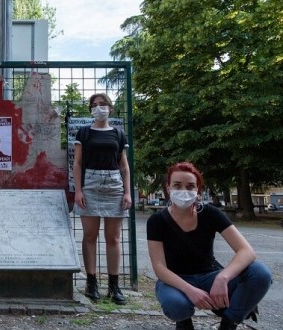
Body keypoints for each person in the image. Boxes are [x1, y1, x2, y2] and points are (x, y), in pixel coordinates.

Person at [147, 162, 272, 330]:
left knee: (260, 273)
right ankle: (184, 322)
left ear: (198, 190)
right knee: (176, 305)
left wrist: (223, 278)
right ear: (168, 188)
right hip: (176, 281)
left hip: (209, 276)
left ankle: (229, 323)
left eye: (190, 186)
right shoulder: (156, 221)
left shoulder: (210, 214)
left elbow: (246, 251)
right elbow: (160, 267)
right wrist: (190, 290)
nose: (184, 191)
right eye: (177, 185)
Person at [72, 93, 131, 305]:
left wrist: (127, 192)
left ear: (110, 108)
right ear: (90, 109)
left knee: (113, 238)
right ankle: (91, 283)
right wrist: (78, 190)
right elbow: (77, 163)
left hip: (114, 185)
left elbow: (124, 166)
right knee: (90, 236)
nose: (99, 108)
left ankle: (114, 286)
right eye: (95, 105)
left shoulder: (118, 133)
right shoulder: (84, 132)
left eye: (103, 104)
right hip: (91, 183)